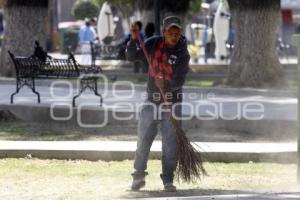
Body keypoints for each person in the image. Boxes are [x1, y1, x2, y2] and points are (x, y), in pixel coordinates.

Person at [126, 16, 190, 192]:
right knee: (143, 139)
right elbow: (132, 56)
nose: (174, 36)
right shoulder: (153, 43)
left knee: (170, 144)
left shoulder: (182, 53)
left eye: (177, 33)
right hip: (151, 101)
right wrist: (132, 39)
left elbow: (180, 78)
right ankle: (138, 176)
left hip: (172, 104)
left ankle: (168, 180)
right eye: (171, 33)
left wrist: (167, 84)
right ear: (164, 32)